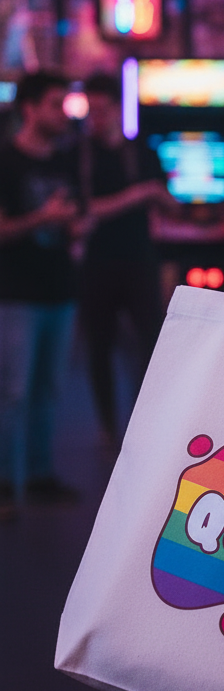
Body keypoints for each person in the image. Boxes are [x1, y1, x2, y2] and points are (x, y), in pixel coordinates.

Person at [77, 74, 170, 453]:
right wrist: (140, 193)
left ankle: (146, 422)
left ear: (118, 109)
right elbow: (83, 210)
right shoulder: (80, 155)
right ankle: (107, 426)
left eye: (102, 110)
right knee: (100, 347)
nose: (95, 119)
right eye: (91, 111)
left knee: (150, 345)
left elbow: (166, 198)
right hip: (97, 262)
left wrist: (167, 200)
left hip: (139, 260)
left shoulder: (141, 151)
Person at [0, 71, 80, 508]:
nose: (63, 113)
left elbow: (77, 217)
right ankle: (3, 484)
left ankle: (38, 475)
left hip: (60, 290)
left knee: (48, 390)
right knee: (12, 393)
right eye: (55, 103)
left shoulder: (64, 160)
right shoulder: (6, 161)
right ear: (29, 108)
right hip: (16, 295)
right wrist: (43, 219)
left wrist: (76, 226)